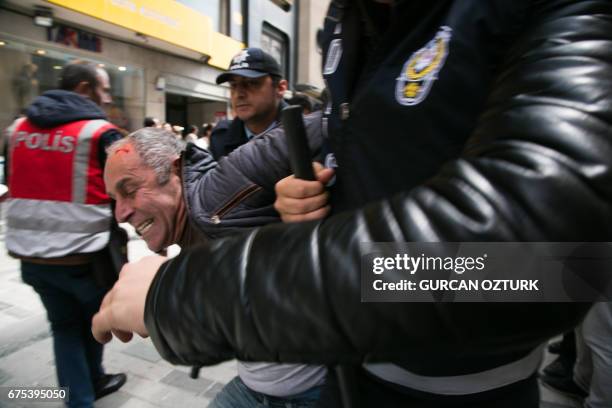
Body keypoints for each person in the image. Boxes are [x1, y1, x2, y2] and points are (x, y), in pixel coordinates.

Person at [92, 1, 612, 407]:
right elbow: (390, 159)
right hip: (353, 371)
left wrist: (187, 296)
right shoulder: (347, 22)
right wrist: (317, 200)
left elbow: (547, 265)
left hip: (467, 387)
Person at [103, 124, 325, 407]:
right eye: (114, 199)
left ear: (173, 170)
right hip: (261, 386)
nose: (120, 213)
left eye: (130, 190)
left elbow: (334, 123)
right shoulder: (197, 215)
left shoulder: (216, 193)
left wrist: (170, 295)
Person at [4, 61, 127, 408]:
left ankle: (86, 389)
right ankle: (85, 394)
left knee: (64, 327)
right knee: (94, 322)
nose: (106, 100)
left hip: (32, 259)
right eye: (103, 91)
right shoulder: (101, 133)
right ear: (85, 89)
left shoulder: (16, 129)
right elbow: (125, 189)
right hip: (86, 259)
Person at [209, 47, 288, 160]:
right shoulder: (220, 137)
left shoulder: (305, 134)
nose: (238, 94)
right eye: (233, 85)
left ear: (280, 88)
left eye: (251, 83)